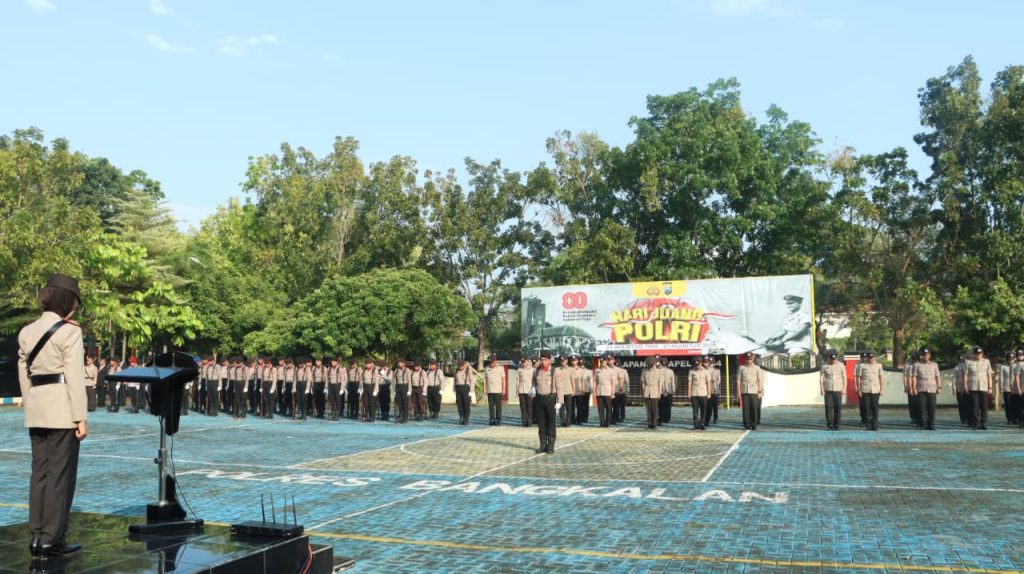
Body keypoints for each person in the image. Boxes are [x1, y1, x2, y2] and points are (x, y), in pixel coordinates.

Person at [17, 273, 88, 559]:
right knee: (60, 476)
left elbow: (24, 372)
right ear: (68, 301)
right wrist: (80, 417)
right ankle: (52, 539)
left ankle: (37, 536)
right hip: (62, 410)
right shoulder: (70, 332)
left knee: (40, 473)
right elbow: (74, 376)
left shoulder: (27, 331)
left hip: (37, 407)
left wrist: (31, 402)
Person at [531, 352, 560, 454]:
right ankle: (543, 445)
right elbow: (533, 382)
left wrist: (559, 402)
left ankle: (550, 446)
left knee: (551, 423)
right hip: (539, 399)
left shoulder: (554, 371)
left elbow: (559, 387)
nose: (543, 362)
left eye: (545, 360)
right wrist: (533, 389)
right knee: (541, 423)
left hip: (550, 399)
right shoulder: (537, 370)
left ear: (550, 360)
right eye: (542, 360)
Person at [911, 347, 941, 430]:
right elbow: (914, 377)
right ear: (921, 356)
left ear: (930, 355)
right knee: (922, 407)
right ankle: (923, 423)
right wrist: (914, 388)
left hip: (932, 388)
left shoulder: (934, 365)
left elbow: (937, 376)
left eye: (927, 355)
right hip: (921, 388)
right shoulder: (916, 365)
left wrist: (939, 387)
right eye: (924, 355)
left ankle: (931, 424)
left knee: (932, 407)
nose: (925, 356)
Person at [965, 346, 993, 430]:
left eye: (980, 354)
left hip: (984, 386)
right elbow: (965, 375)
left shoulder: (986, 362)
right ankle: (976, 423)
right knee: (975, 406)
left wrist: (990, 387)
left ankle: (984, 423)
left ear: (982, 354)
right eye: (977, 354)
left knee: (984, 406)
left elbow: (989, 375)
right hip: (973, 386)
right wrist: (965, 386)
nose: (978, 355)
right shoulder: (969, 362)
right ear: (974, 354)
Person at [820, 350, 846, 430]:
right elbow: (821, 378)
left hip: (838, 389)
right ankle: (830, 425)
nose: (833, 361)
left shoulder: (841, 365)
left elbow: (844, 377)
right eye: (831, 359)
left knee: (838, 407)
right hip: (828, 389)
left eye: (834, 359)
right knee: (828, 407)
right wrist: (822, 389)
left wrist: (844, 388)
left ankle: (837, 424)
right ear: (828, 358)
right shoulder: (824, 366)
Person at [857, 351, 883, 431]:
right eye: (869, 357)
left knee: (875, 407)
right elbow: (859, 378)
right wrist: (859, 389)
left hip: (875, 389)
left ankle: (875, 425)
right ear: (866, 357)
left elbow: (881, 378)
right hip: (865, 389)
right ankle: (868, 425)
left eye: (872, 358)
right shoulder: (862, 366)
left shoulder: (879, 366)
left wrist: (881, 389)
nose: (870, 359)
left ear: (874, 357)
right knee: (866, 408)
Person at [739, 352, 764, 430]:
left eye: (750, 359)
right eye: (747, 359)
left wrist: (760, 391)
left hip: (754, 391)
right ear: (745, 359)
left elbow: (760, 380)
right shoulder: (741, 368)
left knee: (754, 408)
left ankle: (754, 424)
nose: (748, 360)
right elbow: (738, 380)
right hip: (745, 391)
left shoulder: (757, 368)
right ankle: (746, 424)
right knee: (745, 409)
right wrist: (739, 392)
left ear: (752, 359)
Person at [688, 356, 710, 430]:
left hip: (703, 393)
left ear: (701, 363)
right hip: (694, 393)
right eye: (695, 364)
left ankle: (702, 424)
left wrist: (709, 393)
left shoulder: (706, 371)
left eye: (698, 364)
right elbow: (689, 383)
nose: (697, 365)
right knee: (695, 410)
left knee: (703, 410)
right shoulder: (691, 371)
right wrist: (689, 393)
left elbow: (708, 383)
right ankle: (696, 424)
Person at [595, 355, 616, 428]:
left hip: (607, 391)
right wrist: (595, 391)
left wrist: (613, 393)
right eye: (601, 361)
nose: (602, 363)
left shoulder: (610, 370)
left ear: (606, 361)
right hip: (599, 391)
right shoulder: (597, 370)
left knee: (608, 407)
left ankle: (608, 422)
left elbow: (613, 382)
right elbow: (595, 381)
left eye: (603, 361)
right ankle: (602, 422)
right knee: (600, 408)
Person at [640, 357, 661, 430]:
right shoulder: (644, 371)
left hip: (655, 391)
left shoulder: (658, 371)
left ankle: (654, 424)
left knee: (654, 409)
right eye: (648, 364)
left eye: (650, 364)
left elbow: (660, 383)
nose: (649, 366)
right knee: (648, 409)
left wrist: (659, 392)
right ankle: (649, 423)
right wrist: (643, 393)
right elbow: (643, 383)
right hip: (647, 391)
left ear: (654, 364)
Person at [453, 360, 476, 425]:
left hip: (466, 388)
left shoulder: (468, 370)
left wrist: (471, 391)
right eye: (459, 366)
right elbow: (455, 381)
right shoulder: (456, 370)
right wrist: (454, 390)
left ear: (463, 365)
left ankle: (466, 419)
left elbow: (472, 381)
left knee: (466, 404)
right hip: (458, 388)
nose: (460, 367)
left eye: (461, 366)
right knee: (459, 404)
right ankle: (461, 418)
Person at [554, 356, 574, 427]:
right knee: (561, 407)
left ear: (567, 361)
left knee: (569, 408)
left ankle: (568, 422)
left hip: (568, 390)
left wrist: (573, 390)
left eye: (564, 360)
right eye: (561, 361)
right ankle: (562, 421)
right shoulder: (556, 369)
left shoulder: (571, 369)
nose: (563, 362)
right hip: (560, 391)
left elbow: (572, 380)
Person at [571, 356, 592, 424]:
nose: (581, 363)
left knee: (585, 405)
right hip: (576, 389)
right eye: (580, 362)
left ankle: (585, 417)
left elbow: (590, 381)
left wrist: (591, 389)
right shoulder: (573, 369)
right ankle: (575, 418)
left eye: (582, 362)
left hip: (585, 389)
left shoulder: (588, 371)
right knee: (577, 405)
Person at [484, 356, 505, 426]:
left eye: (492, 362)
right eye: (490, 362)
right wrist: (485, 389)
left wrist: (503, 389)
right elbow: (485, 380)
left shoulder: (500, 368)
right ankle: (492, 419)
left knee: (498, 406)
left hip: (498, 390)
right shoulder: (487, 368)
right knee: (491, 406)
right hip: (490, 390)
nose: (491, 364)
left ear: (495, 361)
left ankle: (498, 419)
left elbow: (503, 379)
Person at [360, 357, 381, 422]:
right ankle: (368, 415)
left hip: (372, 386)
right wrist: (361, 388)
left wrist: (376, 390)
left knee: (372, 403)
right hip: (365, 387)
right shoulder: (364, 370)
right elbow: (361, 380)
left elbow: (377, 381)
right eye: (366, 363)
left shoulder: (375, 370)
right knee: (366, 402)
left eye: (368, 363)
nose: (367, 365)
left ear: (371, 364)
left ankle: (372, 416)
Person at [516, 358, 535, 427]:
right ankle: (524, 421)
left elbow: (534, 381)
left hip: (529, 390)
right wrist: (517, 391)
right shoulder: (519, 370)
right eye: (523, 362)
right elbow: (517, 381)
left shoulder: (532, 370)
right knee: (523, 407)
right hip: (521, 390)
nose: (524, 363)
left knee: (529, 406)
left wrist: (534, 391)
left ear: (528, 362)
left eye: (525, 362)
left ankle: (529, 421)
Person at [904, 351, 921, 427]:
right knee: (912, 403)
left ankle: (920, 417)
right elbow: (905, 375)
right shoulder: (908, 363)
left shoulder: (922, 362)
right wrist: (906, 386)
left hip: (920, 385)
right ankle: (914, 418)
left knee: (920, 403)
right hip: (910, 385)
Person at [703, 356, 721, 426]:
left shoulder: (717, 370)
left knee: (715, 405)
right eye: (710, 362)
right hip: (708, 389)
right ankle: (707, 419)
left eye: (712, 362)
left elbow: (719, 380)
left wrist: (716, 382)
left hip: (715, 389)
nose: (711, 364)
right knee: (708, 405)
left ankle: (715, 417)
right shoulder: (705, 370)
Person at [656, 355, 674, 425]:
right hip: (669, 390)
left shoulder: (658, 370)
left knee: (660, 406)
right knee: (668, 405)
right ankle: (667, 418)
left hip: (660, 390)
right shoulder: (670, 371)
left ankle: (661, 418)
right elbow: (672, 381)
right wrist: (673, 390)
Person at [999, 352, 1016, 426]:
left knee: (1015, 404)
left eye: (1012, 359)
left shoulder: (1017, 366)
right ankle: (1009, 419)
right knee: (1008, 404)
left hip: (1015, 387)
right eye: (1009, 359)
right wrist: (1001, 387)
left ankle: (1016, 418)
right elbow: (1001, 378)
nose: (1011, 360)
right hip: (1007, 387)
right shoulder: (1003, 367)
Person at [393, 358, 412, 424]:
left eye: (401, 363)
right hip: (398, 387)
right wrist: (394, 389)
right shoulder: (396, 370)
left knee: (405, 402)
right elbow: (394, 380)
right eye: (399, 363)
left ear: (404, 364)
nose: (399, 364)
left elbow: (409, 380)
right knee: (399, 402)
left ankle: (405, 417)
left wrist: (409, 390)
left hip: (404, 386)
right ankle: (401, 416)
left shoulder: (407, 370)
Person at [326, 357, 344, 421]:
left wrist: (342, 389)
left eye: (334, 361)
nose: (333, 363)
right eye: (332, 361)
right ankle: (333, 413)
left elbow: (342, 379)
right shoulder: (329, 369)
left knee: (338, 400)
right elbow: (327, 379)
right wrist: (326, 387)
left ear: (337, 362)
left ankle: (337, 414)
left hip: (337, 385)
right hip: (331, 385)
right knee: (332, 400)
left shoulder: (340, 369)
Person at [612, 357, 628, 424]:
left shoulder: (624, 371)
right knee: (616, 405)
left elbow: (627, 381)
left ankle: (622, 417)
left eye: (618, 365)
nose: (617, 366)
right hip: (615, 390)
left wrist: (627, 390)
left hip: (622, 390)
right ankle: (616, 417)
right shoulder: (613, 370)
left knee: (622, 405)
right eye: (616, 365)